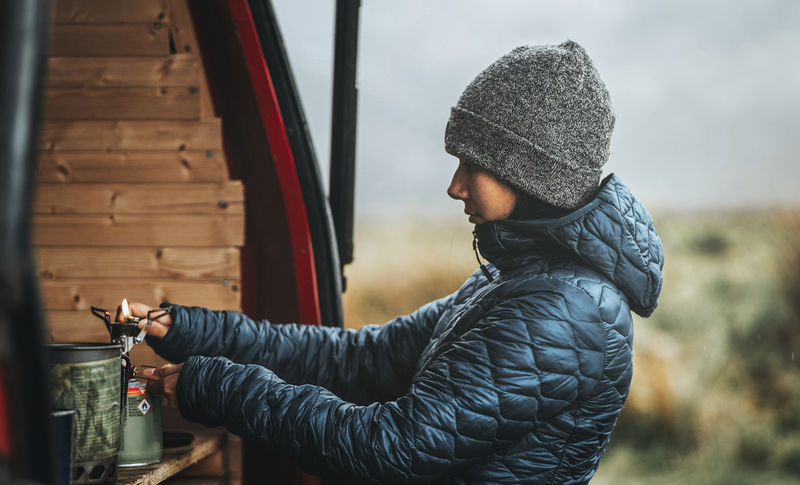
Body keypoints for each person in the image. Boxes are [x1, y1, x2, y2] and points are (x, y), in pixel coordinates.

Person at [126, 40, 664, 484]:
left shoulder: (564, 313)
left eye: (473, 165)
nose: (454, 186)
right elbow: (361, 360)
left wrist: (219, 387)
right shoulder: (518, 283)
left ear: (530, 177)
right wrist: (195, 330)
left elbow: (391, 451)